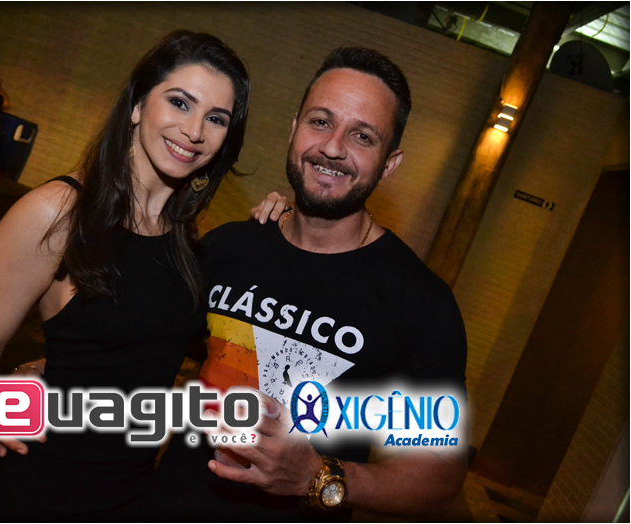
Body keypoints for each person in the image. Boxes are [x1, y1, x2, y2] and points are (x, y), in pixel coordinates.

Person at [0, 30, 286, 522]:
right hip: (39, 491)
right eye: (179, 102)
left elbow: (132, 344)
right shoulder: (57, 213)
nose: (194, 130)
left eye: (216, 118)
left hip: (130, 496)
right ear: (137, 105)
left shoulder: (182, 235)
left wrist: (285, 221)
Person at [147, 46, 469, 521]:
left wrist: (318, 476)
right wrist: (58, 368)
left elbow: (440, 479)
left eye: (362, 136)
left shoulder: (421, 303)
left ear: (390, 163)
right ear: (294, 127)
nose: (332, 148)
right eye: (320, 122)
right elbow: (144, 345)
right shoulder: (231, 246)